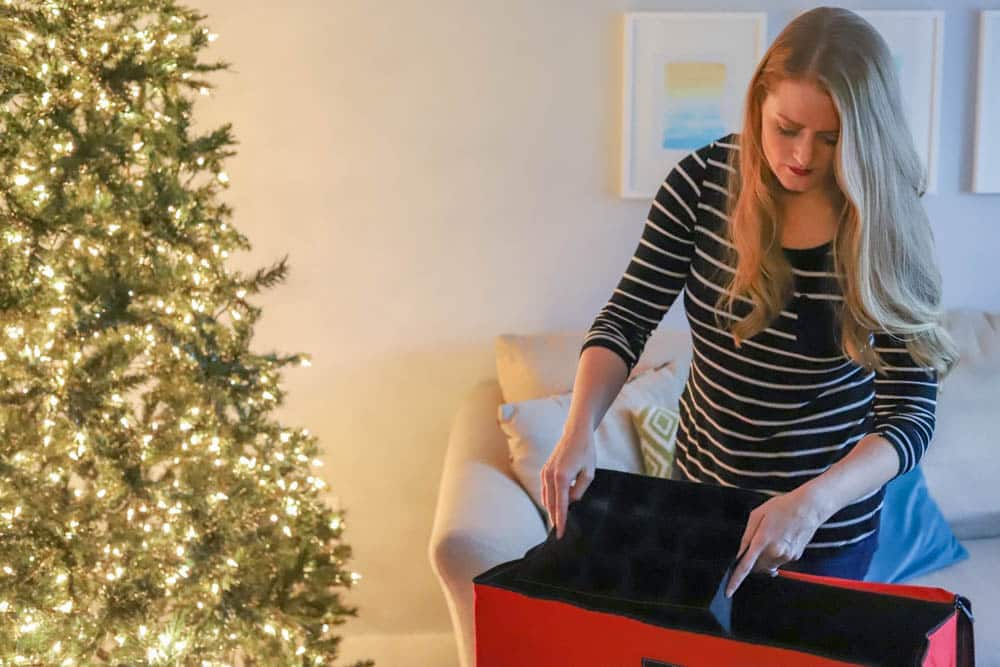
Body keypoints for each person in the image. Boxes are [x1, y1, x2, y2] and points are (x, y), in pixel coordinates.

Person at [540, 6, 959, 599]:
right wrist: (579, 426)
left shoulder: (888, 224)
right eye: (786, 127)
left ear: (866, 133)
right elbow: (627, 318)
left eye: (832, 138)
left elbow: (909, 415)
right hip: (700, 505)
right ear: (759, 101)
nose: (803, 156)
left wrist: (812, 505)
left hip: (827, 529)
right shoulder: (702, 184)